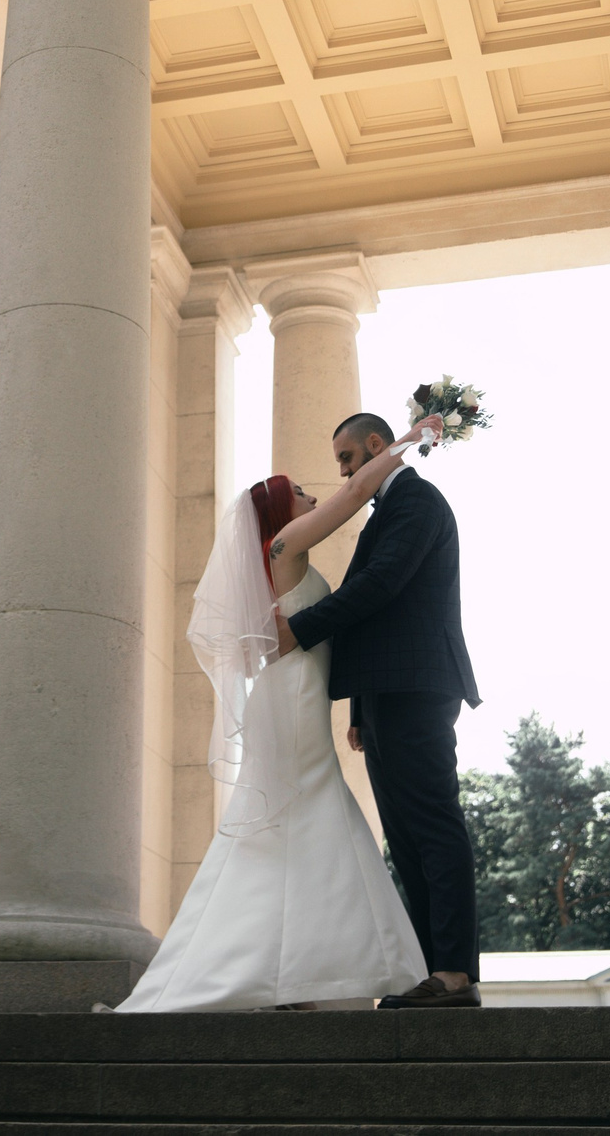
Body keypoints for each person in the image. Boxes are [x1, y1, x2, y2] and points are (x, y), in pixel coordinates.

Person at [115, 427, 436, 1012]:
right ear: (280, 510)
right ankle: (303, 969)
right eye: (301, 492)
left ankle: (292, 971)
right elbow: (357, 492)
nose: (315, 497)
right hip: (292, 699)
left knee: (295, 817)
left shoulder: (281, 555)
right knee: (305, 808)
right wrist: (410, 437)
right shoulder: (285, 546)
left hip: (299, 693)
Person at [275, 411, 481, 1009]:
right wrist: (361, 708)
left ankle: (455, 975)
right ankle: (429, 970)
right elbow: (379, 613)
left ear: (374, 445)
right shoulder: (383, 513)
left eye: (345, 458)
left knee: (434, 824)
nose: (341, 472)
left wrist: (300, 629)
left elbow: (382, 585)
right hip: (389, 692)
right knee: (405, 835)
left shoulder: (415, 500)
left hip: (419, 688)